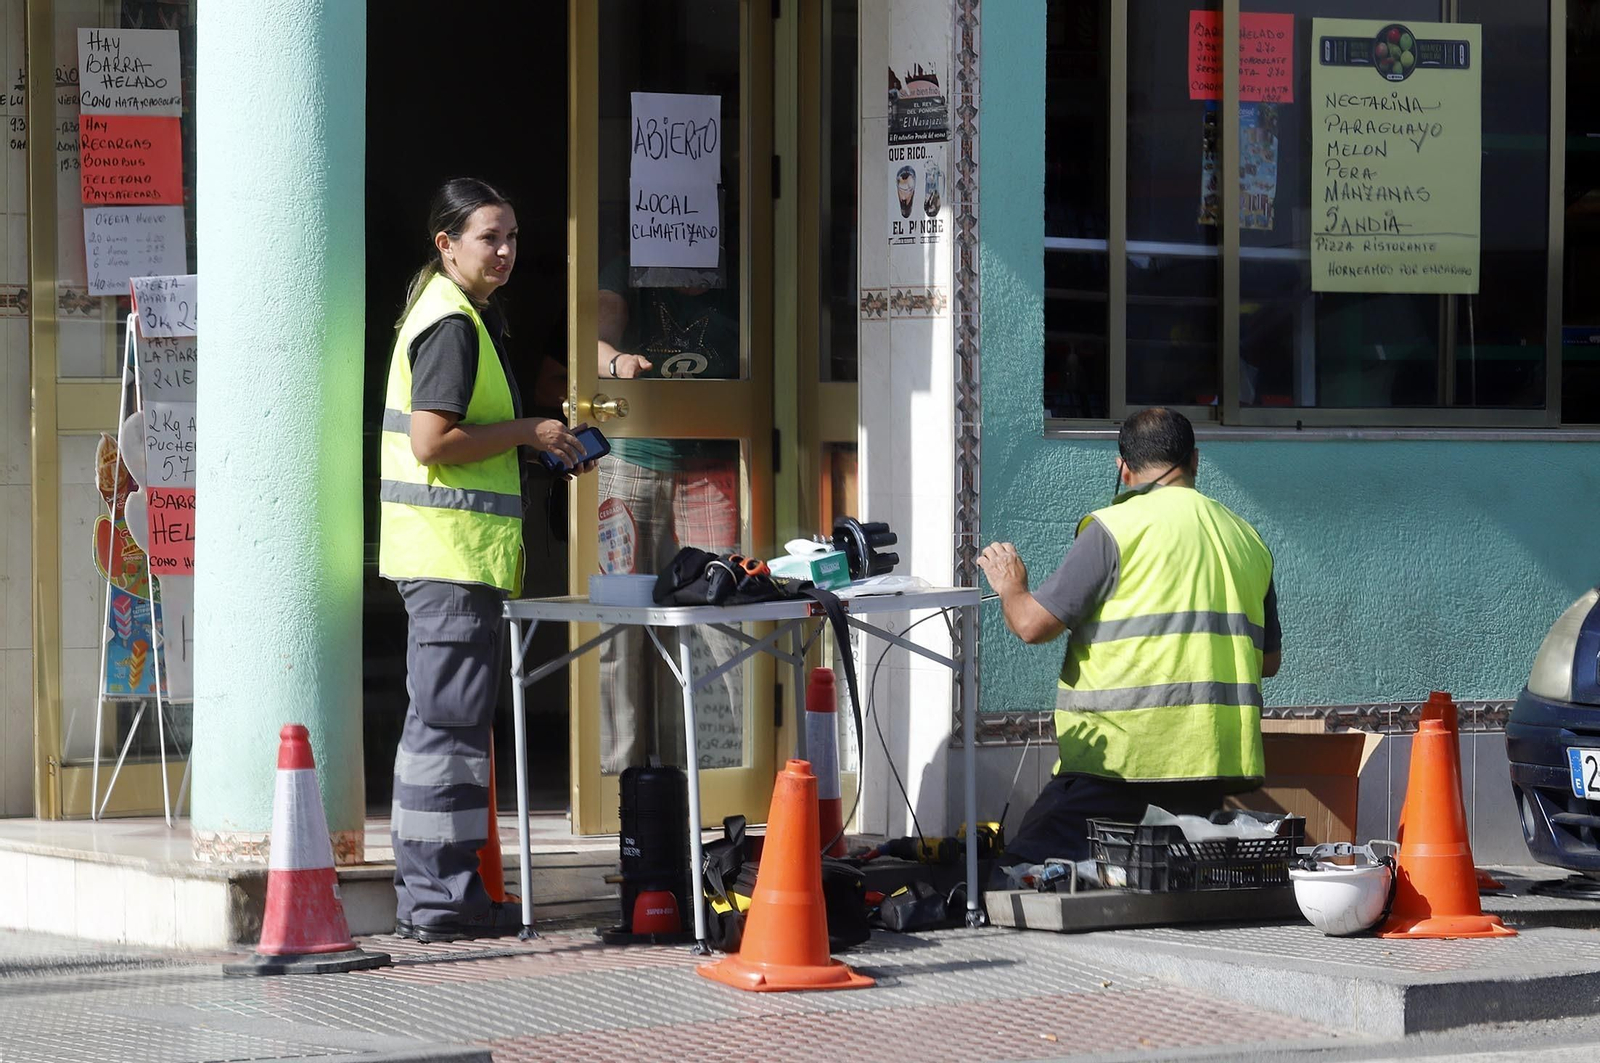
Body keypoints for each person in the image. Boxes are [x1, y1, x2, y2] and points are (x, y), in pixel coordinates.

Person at [378, 177, 595, 941]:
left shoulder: (461, 312)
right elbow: (432, 441)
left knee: (452, 732)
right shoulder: (452, 324)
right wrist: (530, 430)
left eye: (511, 237)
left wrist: (528, 447)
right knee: (447, 733)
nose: (504, 251)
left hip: (454, 559)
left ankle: (448, 894)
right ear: (447, 245)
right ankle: (440, 900)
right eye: (488, 238)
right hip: (450, 560)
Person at [976, 407, 1281, 865]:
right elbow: (1268, 661)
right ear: (1195, 460)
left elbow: (1032, 625)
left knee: (1020, 874)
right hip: (1211, 765)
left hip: (1121, 761)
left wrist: (1010, 585)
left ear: (1123, 468)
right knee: (1151, 881)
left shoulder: (1114, 530)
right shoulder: (1247, 539)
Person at [593, 263, 744, 773]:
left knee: (718, 618)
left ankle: (712, 774)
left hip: (714, 462)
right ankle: (620, 778)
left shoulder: (741, 264)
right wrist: (618, 363)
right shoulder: (629, 260)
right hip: (632, 455)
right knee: (619, 622)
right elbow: (591, 343)